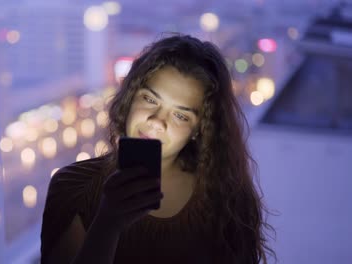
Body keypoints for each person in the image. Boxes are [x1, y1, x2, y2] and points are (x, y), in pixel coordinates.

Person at [40, 33, 276, 264]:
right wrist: (107, 224)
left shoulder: (226, 201)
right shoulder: (73, 188)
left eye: (180, 115)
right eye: (151, 100)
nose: (157, 121)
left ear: (198, 130)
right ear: (131, 96)